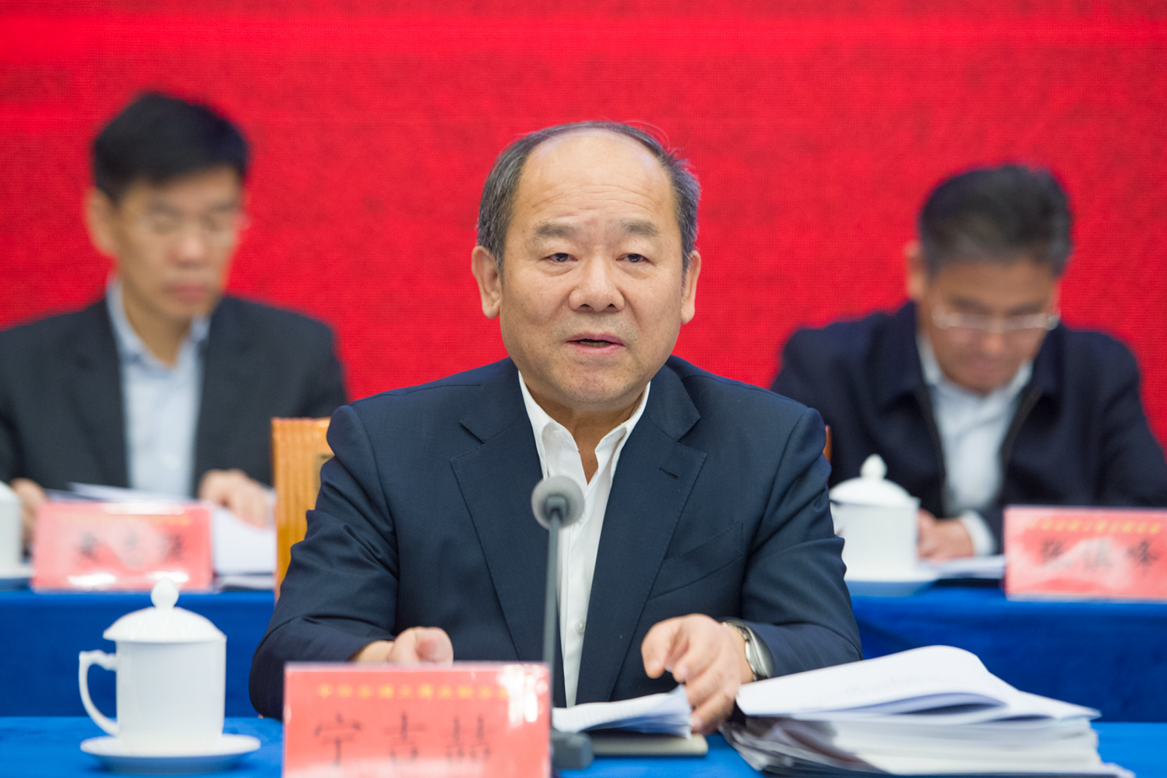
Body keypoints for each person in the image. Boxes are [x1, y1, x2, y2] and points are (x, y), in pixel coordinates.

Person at [251, 122, 860, 731]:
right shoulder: (387, 445)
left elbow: (830, 649)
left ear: (686, 286)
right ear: (492, 280)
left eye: (635, 257)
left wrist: (740, 653)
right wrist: (382, 670)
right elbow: (287, 655)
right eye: (559, 256)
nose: (597, 292)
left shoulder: (769, 446)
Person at [772, 165, 1167, 560]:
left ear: (1054, 290)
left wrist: (982, 534)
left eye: (1024, 317)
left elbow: (1149, 515)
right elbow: (772, 507)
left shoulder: (1097, 373)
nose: (994, 345)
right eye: (967, 314)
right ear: (918, 272)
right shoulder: (829, 368)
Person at [0, 92, 347, 541]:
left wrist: (272, 508)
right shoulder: (18, 367)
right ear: (102, 220)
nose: (192, 252)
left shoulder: (298, 358)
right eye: (163, 222)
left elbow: (344, 524)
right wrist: (11, 516)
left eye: (216, 222)